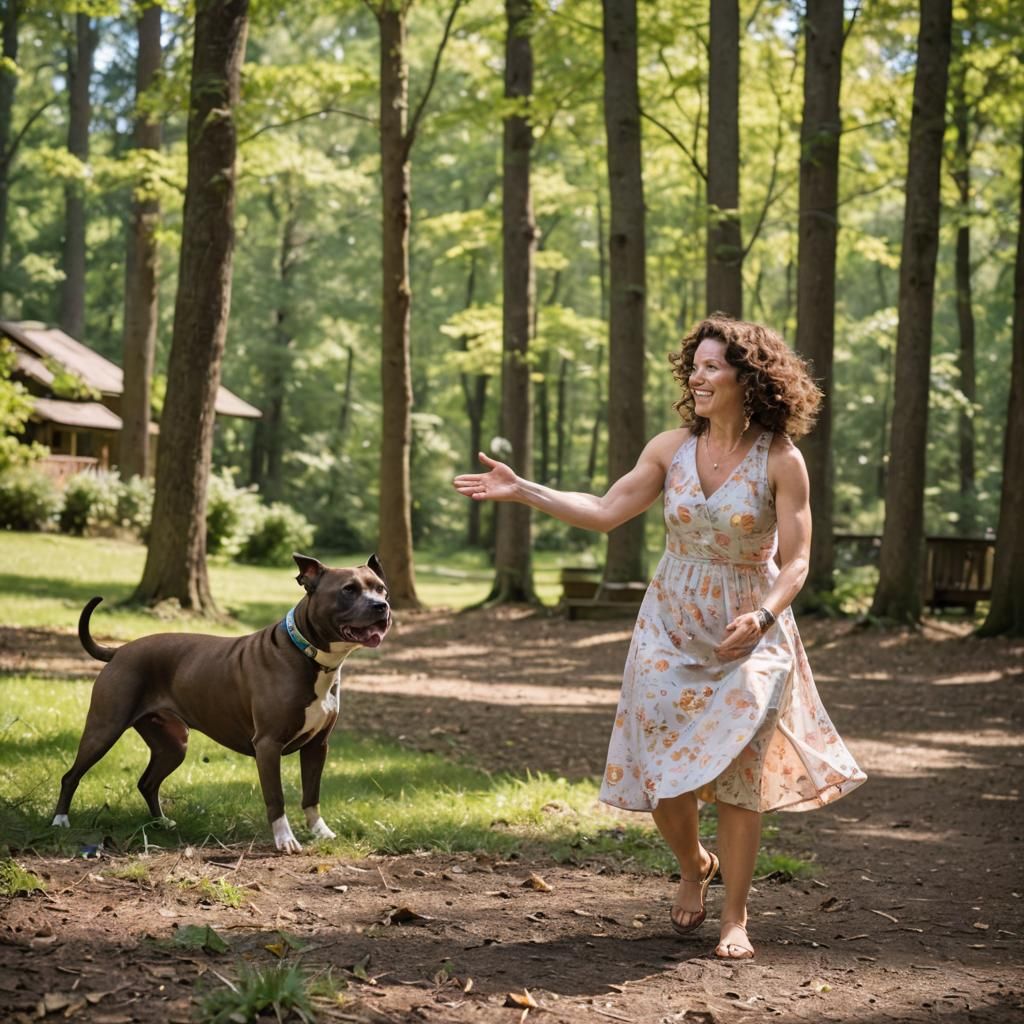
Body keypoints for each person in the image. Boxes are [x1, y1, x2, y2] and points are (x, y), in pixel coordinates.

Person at [453, 315, 866, 960]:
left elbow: (797, 561)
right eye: (695, 366)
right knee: (661, 774)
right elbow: (604, 511)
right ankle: (692, 862)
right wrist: (521, 489)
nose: (697, 378)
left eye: (711, 368)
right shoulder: (670, 448)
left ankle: (735, 913)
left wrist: (762, 617)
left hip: (748, 628)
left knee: (738, 772)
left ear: (747, 378)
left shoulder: (782, 460)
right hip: (669, 623)